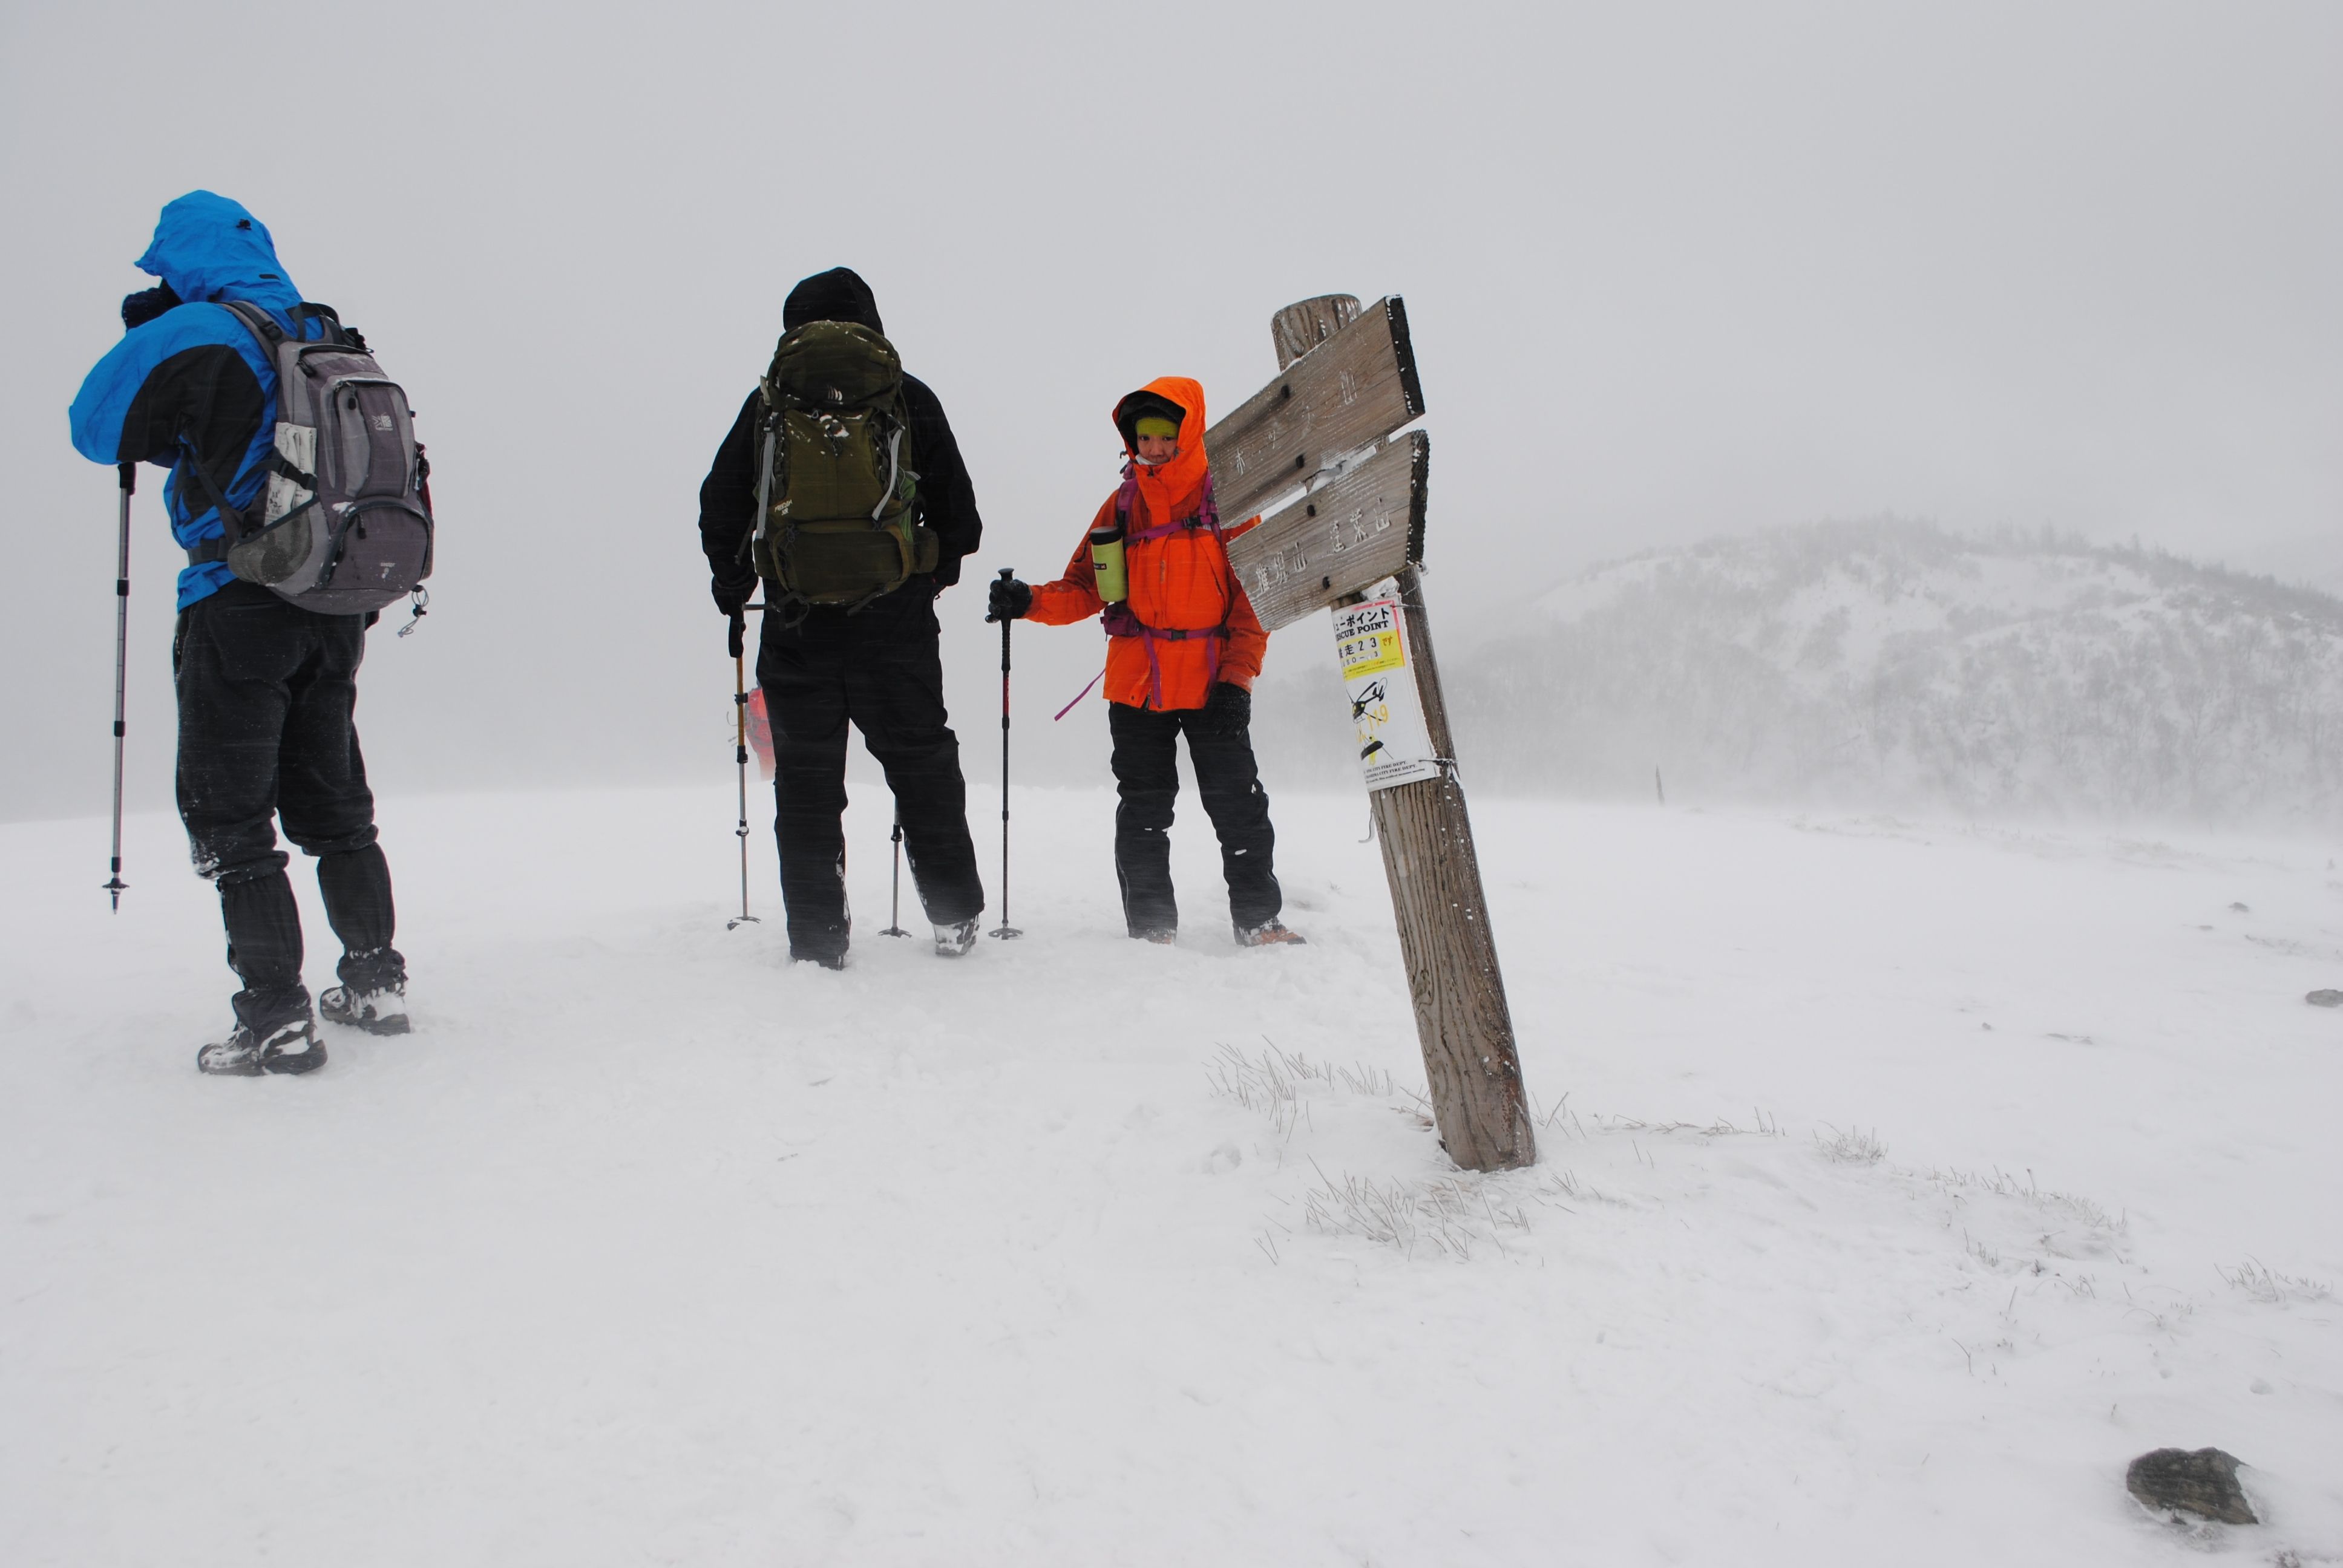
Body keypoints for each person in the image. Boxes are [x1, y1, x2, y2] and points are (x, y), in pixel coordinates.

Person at [68, 191, 410, 1076]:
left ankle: (276, 1019)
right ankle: (375, 980)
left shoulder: (201, 331)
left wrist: (152, 333)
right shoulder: (327, 331)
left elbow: (94, 428)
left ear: (181, 260)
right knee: (334, 805)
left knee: (231, 817)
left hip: (237, 598)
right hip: (335, 604)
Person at [698, 267, 986, 967]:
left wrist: (735, 583)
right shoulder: (907, 398)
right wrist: (927, 574)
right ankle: (952, 916)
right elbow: (962, 518)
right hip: (896, 623)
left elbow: (721, 503)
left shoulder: (768, 407)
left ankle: (818, 938)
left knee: (804, 780)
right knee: (921, 762)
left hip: (796, 622)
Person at [988, 378, 1303, 947]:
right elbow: (1085, 586)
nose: (1154, 448)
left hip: (1212, 683)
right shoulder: (1124, 502)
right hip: (1137, 683)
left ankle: (1259, 920)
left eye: (1165, 436)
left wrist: (1238, 679)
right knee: (1144, 809)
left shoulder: (1228, 501)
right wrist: (1030, 601)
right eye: (1144, 437)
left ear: (1191, 432)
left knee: (1237, 804)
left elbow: (1252, 603)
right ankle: (1151, 927)